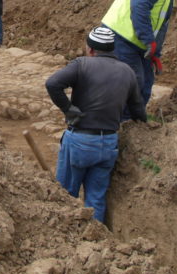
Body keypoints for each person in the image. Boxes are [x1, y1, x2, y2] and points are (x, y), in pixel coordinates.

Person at [46, 26, 146, 222]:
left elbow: (52, 84)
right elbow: (138, 110)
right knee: (96, 198)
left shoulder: (81, 64)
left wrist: (68, 109)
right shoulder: (127, 71)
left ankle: (66, 239)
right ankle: (97, 239)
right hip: (108, 144)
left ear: (90, 49)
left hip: (79, 142)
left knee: (66, 195)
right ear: (111, 49)